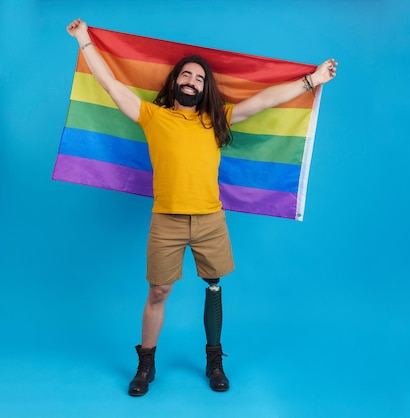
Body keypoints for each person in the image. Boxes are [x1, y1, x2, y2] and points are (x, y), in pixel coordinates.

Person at [66, 18, 337, 397]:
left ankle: (214, 360)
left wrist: (313, 80)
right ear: (175, 81)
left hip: (211, 220)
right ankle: (146, 364)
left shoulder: (216, 119)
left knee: (213, 286)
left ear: (204, 87)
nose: (192, 80)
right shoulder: (153, 116)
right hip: (166, 221)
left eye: (199, 78)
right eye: (186, 75)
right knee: (158, 293)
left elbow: (265, 100)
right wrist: (84, 41)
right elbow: (111, 85)